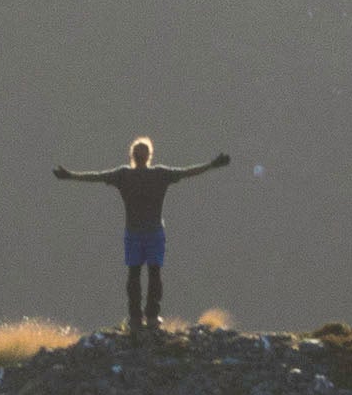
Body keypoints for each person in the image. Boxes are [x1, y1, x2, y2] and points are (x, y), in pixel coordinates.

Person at [52, 136, 230, 332]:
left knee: (134, 274)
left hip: (134, 233)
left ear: (132, 156)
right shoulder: (160, 175)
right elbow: (188, 172)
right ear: (149, 156)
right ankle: (152, 317)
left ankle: (136, 318)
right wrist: (211, 165)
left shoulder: (123, 175)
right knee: (154, 273)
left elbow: (96, 176)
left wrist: (71, 176)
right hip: (153, 233)